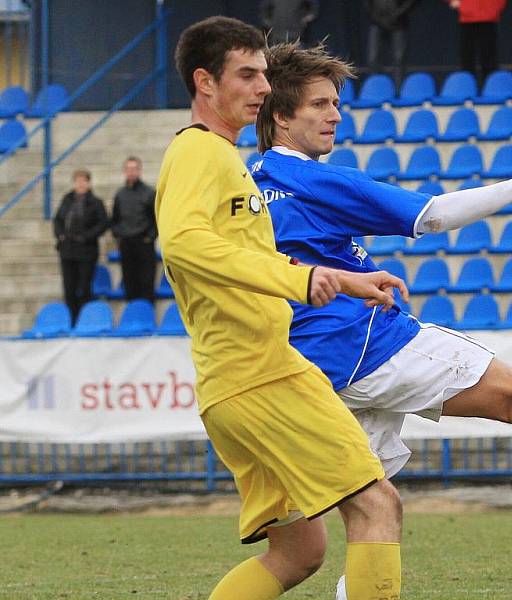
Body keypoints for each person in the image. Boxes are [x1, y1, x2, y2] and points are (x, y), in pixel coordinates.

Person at [252, 42, 512, 596]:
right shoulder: (314, 179)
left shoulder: (249, 182)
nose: (335, 115)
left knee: (370, 518)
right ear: (281, 115)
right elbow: (434, 215)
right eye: (320, 105)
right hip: (367, 342)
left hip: (311, 369)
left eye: (336, 103)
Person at [156, 17, 410, 600]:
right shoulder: (202, 152)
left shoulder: (221, 158)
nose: (263, 88)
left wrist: (341, 280)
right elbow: (186, 244)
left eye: (264, 74)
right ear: (205, 82)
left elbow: (239, 257)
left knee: (300, 551)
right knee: (376, 505)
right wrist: (303, 279)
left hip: (231, 381)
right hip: (261, 372)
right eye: (246, 74)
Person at [53, 169, 109, 325]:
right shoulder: (67, 199)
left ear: (89, 183)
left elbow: (103, 223)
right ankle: (71, 320)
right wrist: (60, 235)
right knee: (69, 288)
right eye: (78, 180)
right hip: (67, 251)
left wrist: (86, 236)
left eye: (84, 180)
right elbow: (57, 220)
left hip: (86, 251)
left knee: (85, 288)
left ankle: (85, 320)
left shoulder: (96, 202)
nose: (80, 184)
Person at [111, 156, 157, 303]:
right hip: (126, 244)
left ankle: (146, 319)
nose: (131, 172)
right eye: (128, 169)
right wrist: (119, 235)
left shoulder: (149, 192)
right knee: (129, 284)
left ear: (140, 171)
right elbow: (115, 219)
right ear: (125, 171)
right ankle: (131, 319)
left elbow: (156, 219)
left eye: (134, 169)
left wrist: (149, 237)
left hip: (144, 244)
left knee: (146, 284)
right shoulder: (120, 194)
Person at [447, 0, 506, 82]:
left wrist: (497, 7)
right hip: (468, 17)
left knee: (489, 61)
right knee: (467, 60)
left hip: (489, 16)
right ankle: (467, 90)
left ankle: (491, 91)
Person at [365, 0, 419, 87]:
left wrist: (397, 14)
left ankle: (398, 91)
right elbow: (367, 4)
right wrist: (375, 17)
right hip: (376, 22)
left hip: (398, 23)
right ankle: (376, 89)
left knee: (399, 60)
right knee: (373, 59)